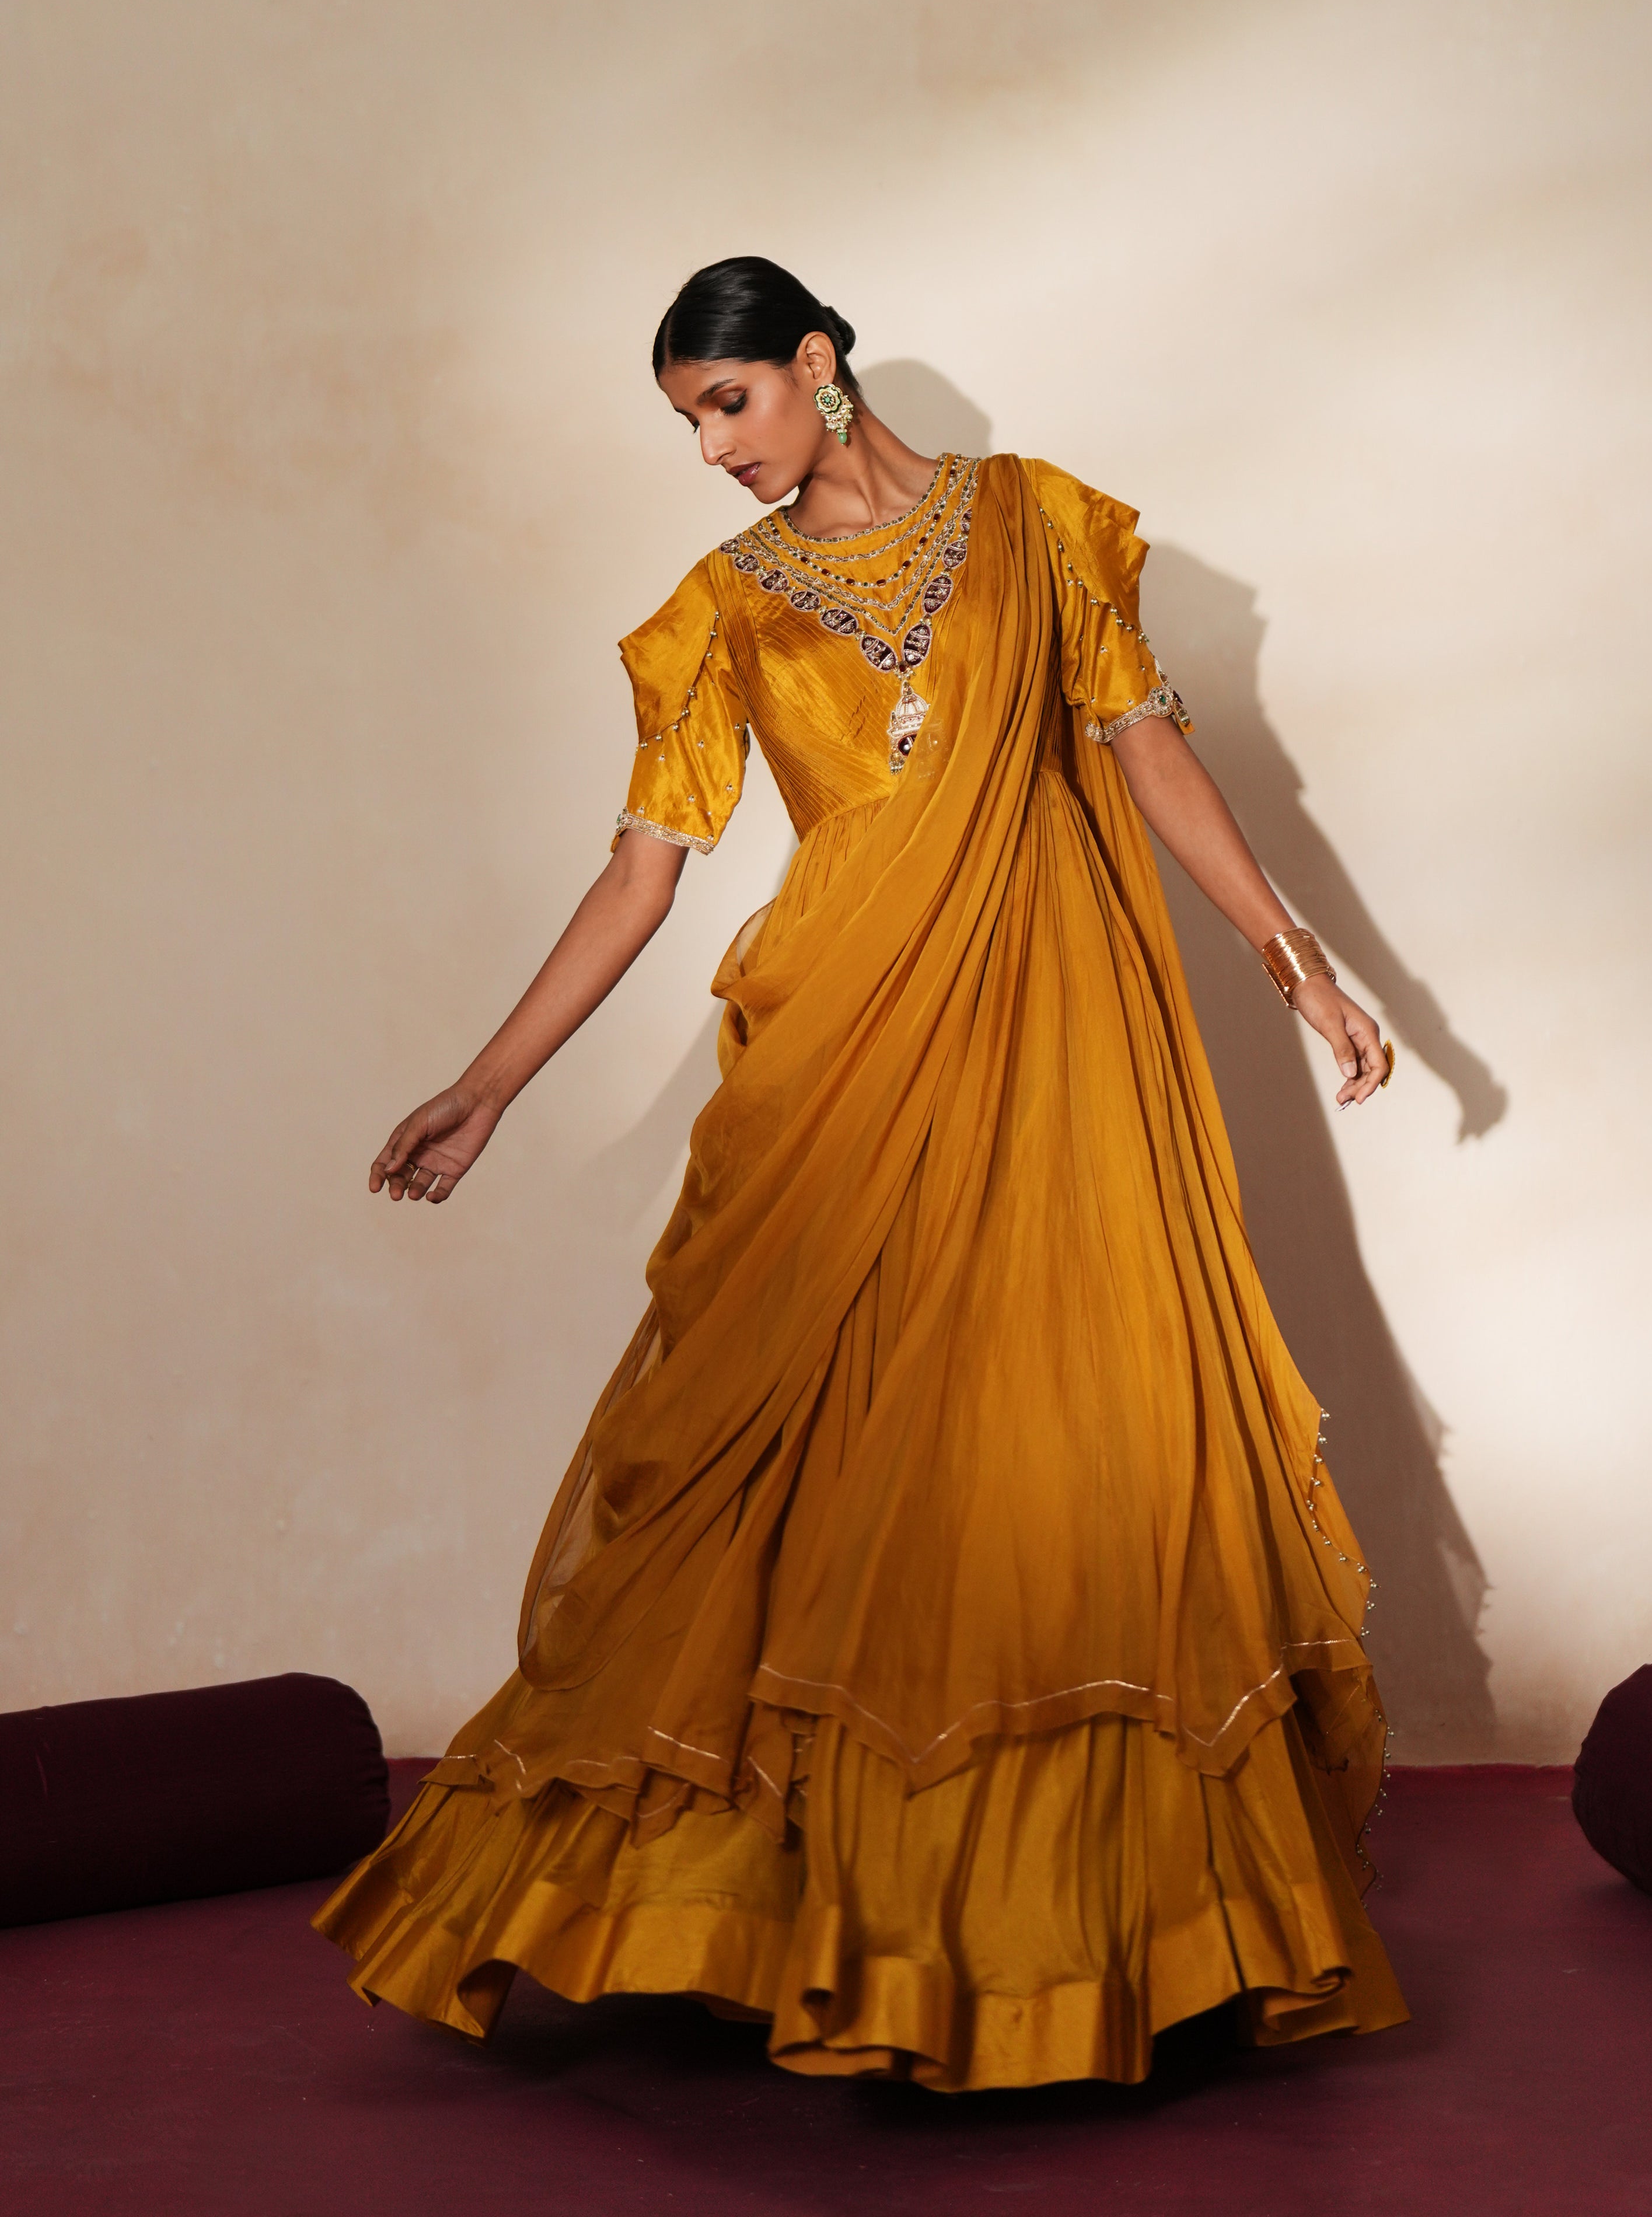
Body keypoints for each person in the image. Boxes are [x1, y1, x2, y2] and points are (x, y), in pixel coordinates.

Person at [314, 256, 1407, 2090]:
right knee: (821, 1453)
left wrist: (1298, 963)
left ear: (818, 364)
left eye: (724, 403)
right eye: (685, 424)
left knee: (1063, 1437)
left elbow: (1145, 746)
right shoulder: (722, 608)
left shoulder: (1044, 524)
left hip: (1059, 1031)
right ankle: (788, 1921)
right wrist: (490, 1081)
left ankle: (1078, 1936)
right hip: (845, 1052)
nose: (710, 450)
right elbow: (646, 868)